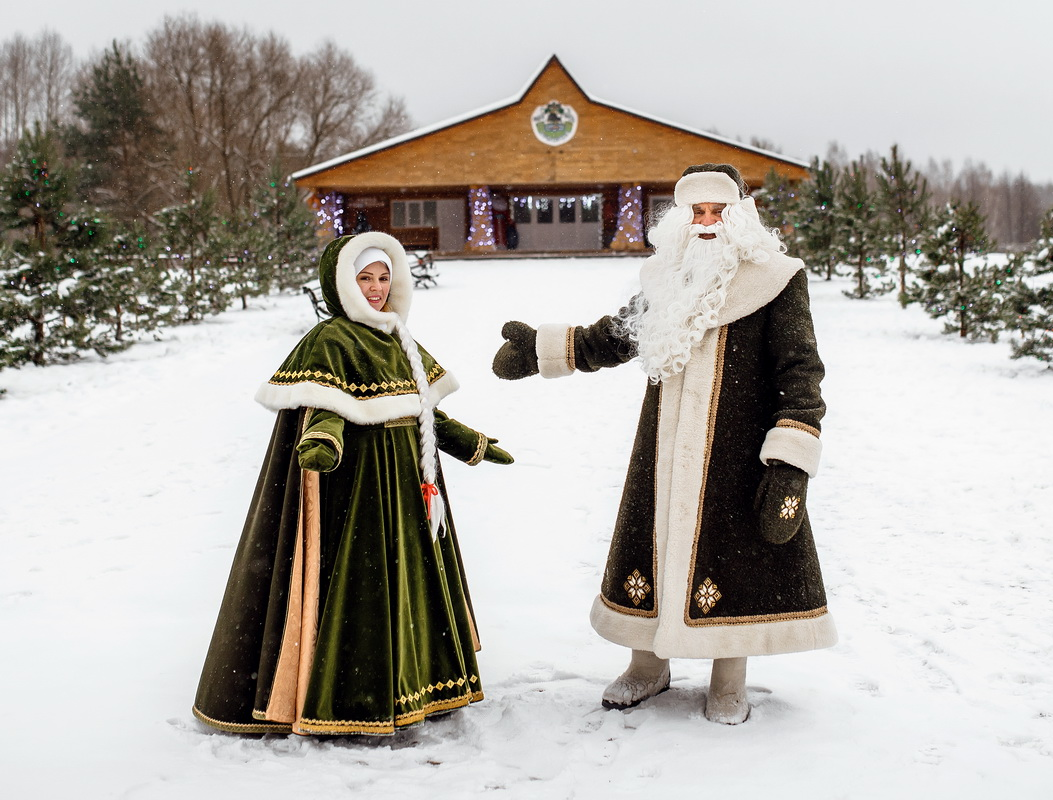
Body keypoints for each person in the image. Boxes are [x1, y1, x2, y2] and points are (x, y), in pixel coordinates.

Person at [492, 164, 836, 724]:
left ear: (739, 216)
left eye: (717, 212)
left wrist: (790, 465)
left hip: (736, 454)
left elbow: (800, 374)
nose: (706, 223)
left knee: (733, 558)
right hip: (661, 449)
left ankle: (729, 679)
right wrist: (543, 351)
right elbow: (615, 337)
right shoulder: (666, 278)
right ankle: (647, 665)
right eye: (696, 212)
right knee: (649, 548)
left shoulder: (776, 279)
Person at [193, 231, 512, 736]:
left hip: (408, 489)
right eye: (364, 278)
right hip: (359, 492)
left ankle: (418, 683)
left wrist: (471, 443)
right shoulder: (330, 340)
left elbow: (422, 413)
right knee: (364, 588)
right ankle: (355, 696)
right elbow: (325, 407)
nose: (377, 288)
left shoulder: (398, 338)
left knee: (408, 584)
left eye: (384, 277)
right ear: (340, 284)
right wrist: (323, 441)